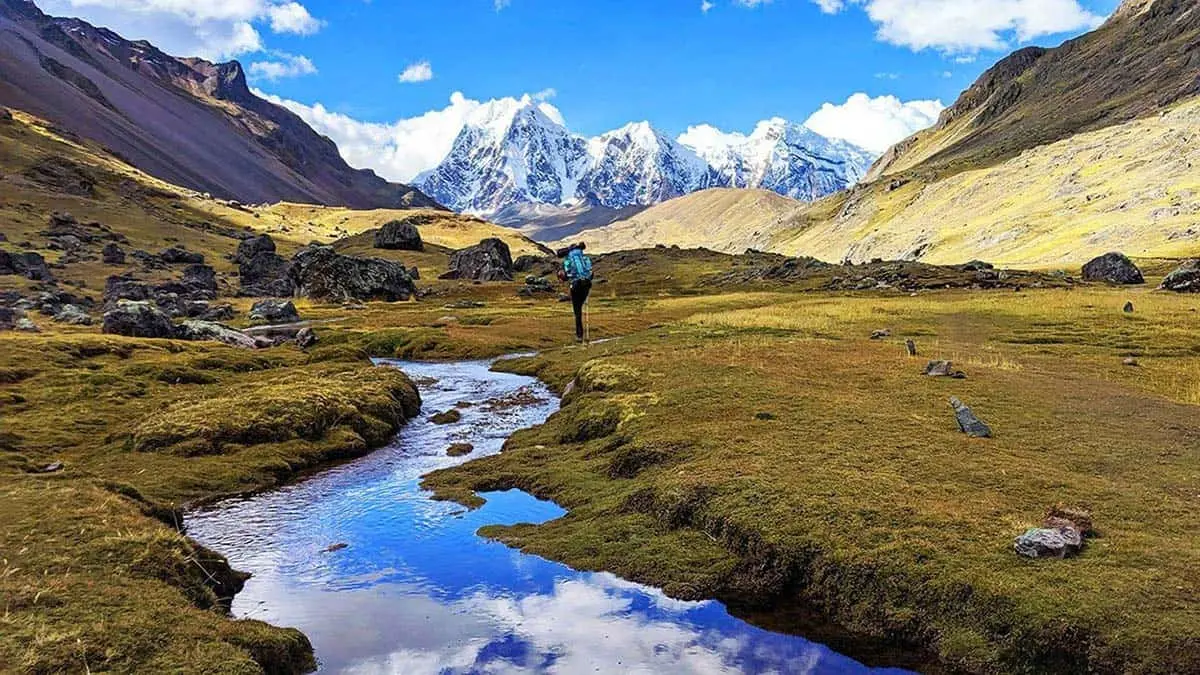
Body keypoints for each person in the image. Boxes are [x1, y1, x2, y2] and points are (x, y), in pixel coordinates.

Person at [560, 243, 594, 343]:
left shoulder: (568, 260)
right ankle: (582, 335)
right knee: (582, 304)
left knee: (577, 310)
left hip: (575, 285)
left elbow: (567, 274)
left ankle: (579, 335)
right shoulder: (585, 258)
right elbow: (591, 272)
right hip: (586, 284)